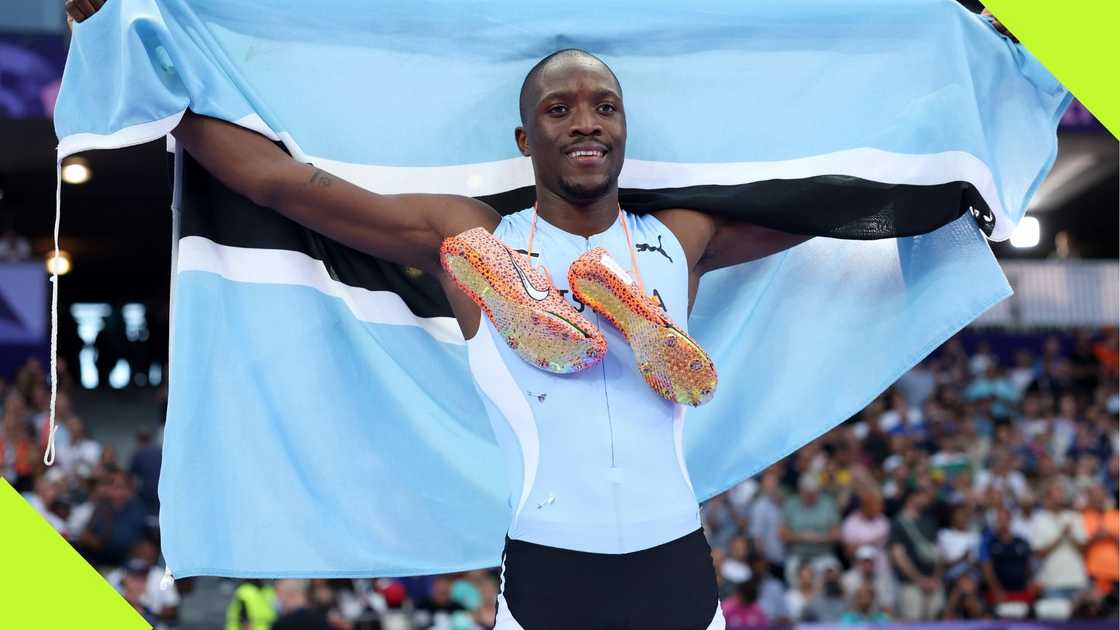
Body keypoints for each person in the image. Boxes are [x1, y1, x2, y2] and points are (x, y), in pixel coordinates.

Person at [889, 488, 944, 620]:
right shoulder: (899, 523)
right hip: (911, 585)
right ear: (912, 497)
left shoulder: (930, 521)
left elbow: (938, 552)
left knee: (936, 622)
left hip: (933, 583)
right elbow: (899, 556)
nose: (927, 498)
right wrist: (918, 579)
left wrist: (936, 578)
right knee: (913, 622)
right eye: (922, 495)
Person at [781, 475, 840, 584]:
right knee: (792, 571)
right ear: (801, 491)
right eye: (807, 494)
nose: (811, 496)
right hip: (798, 555)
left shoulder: (828, 504)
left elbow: (837, 534)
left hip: (823, 555)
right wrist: (803, 537)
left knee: (833, 572)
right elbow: (782, 534)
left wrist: (819, 538)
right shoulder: (791, 504)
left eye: (814, 493)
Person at [979, 507, 1036, 609]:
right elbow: (987, 568)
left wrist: (1030, 584)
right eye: (1000, 520)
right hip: (999, 592)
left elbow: (1028, 565)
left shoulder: (1022, 541)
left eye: (1005, 519)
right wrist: (996, 589)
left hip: (1021, 591)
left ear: (1010, 521)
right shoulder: (988, 542)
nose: (1003, 523)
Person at [1081, 482, 1119, 597]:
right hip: (1092, 573)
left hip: (1116, 572)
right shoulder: (1083, 517)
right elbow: (1081, 545)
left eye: (1100, 496)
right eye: (1095, 496)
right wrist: (1096, 537)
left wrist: (1111, 536)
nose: (1098, 499)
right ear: (1089, 499)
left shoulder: (1116, 515)